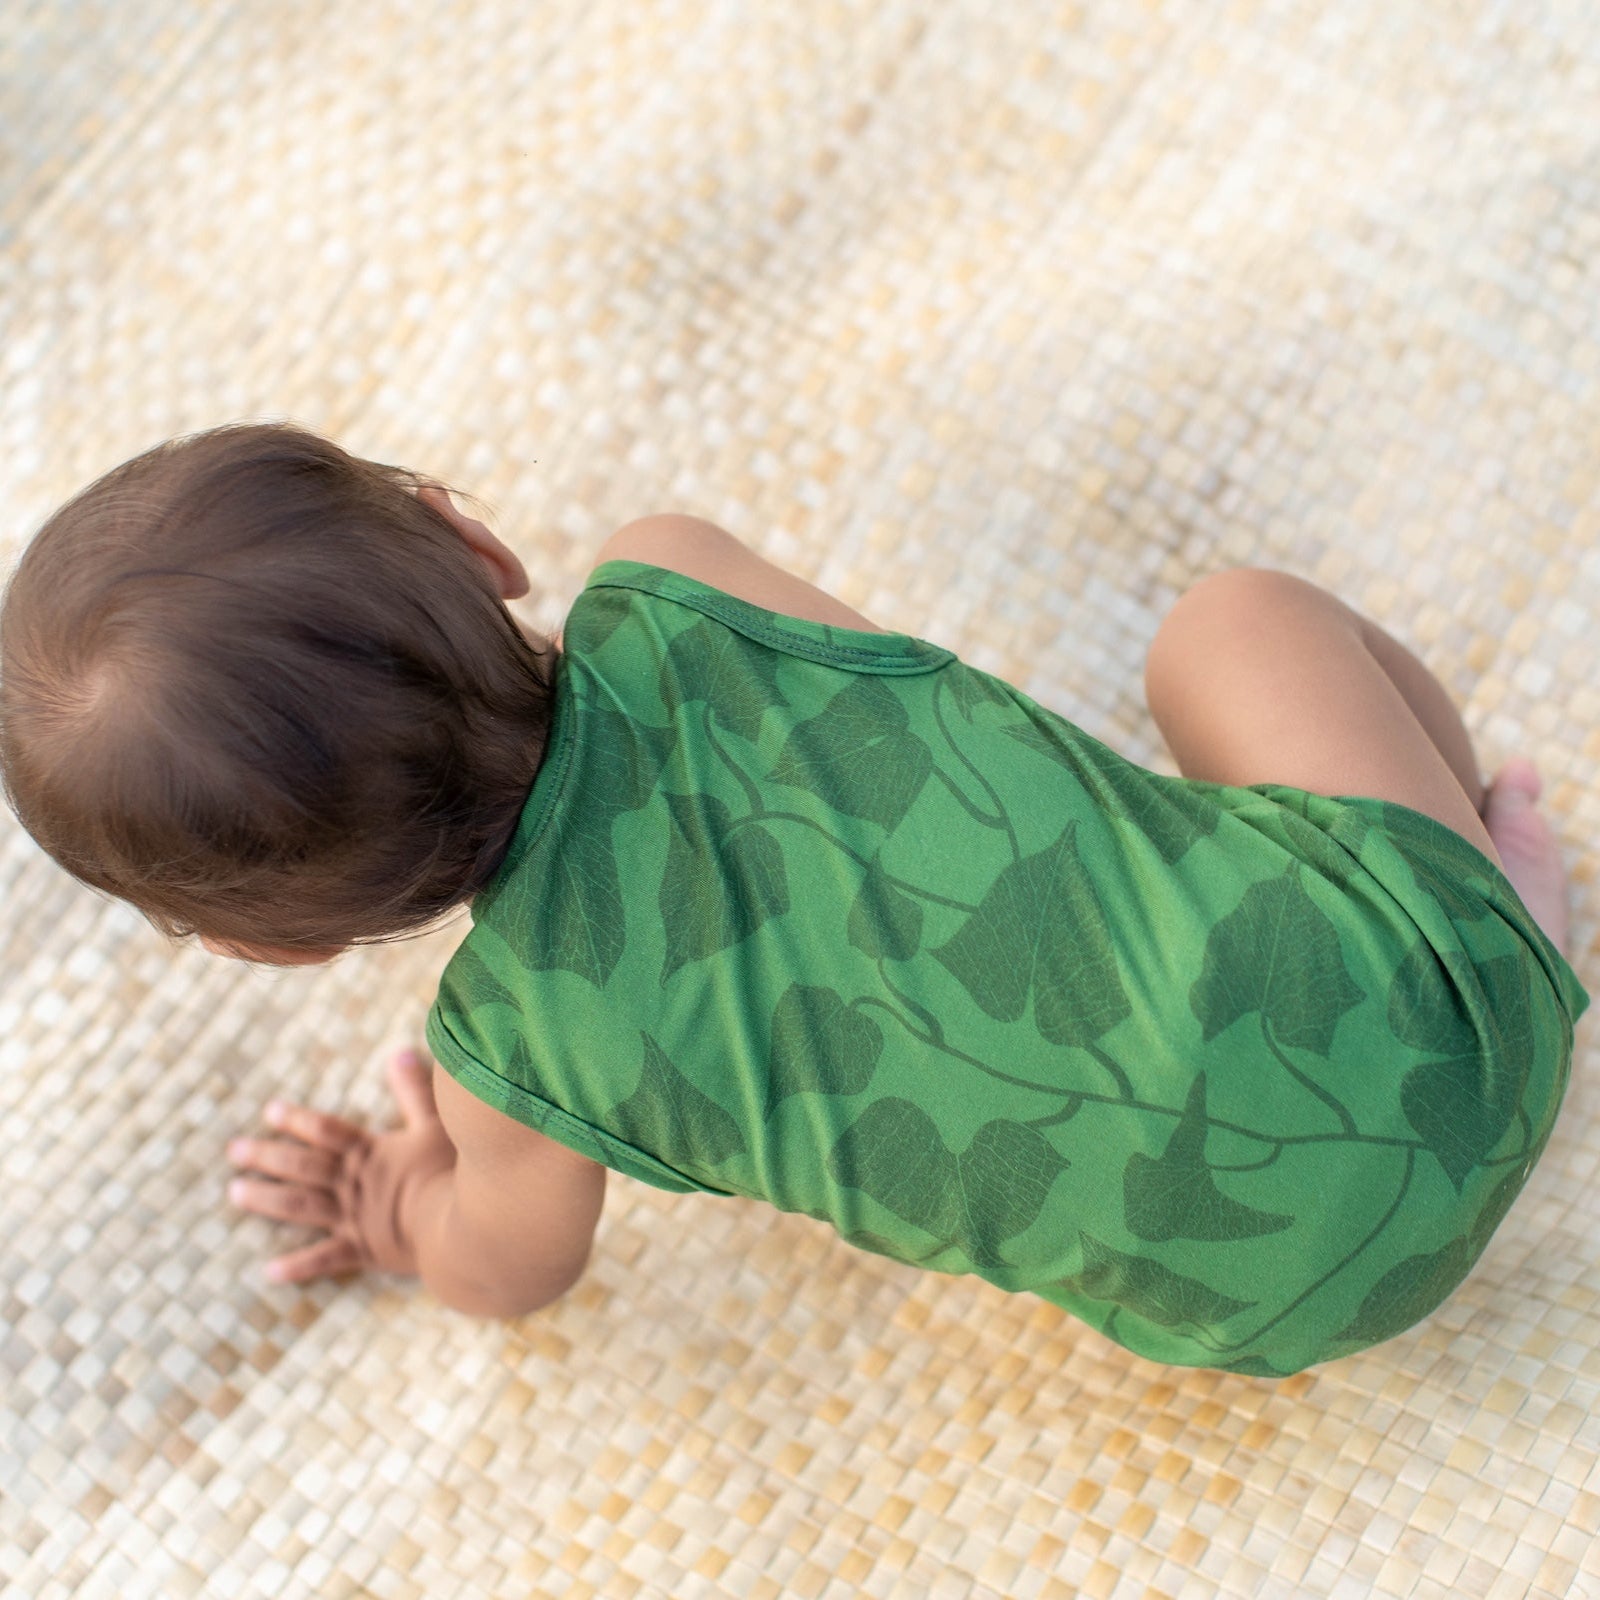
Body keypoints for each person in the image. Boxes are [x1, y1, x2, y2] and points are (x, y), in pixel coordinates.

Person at [0, 422, 1586, 1376]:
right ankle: (1496, 894)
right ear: (473, 541)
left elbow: (509, 1272)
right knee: (1236, 622)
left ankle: (1479, 921)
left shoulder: (518, 1071)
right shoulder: (674, 587)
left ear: (274, 939)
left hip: (1289, 1296)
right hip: (1447, 1015)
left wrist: (400, 1206)